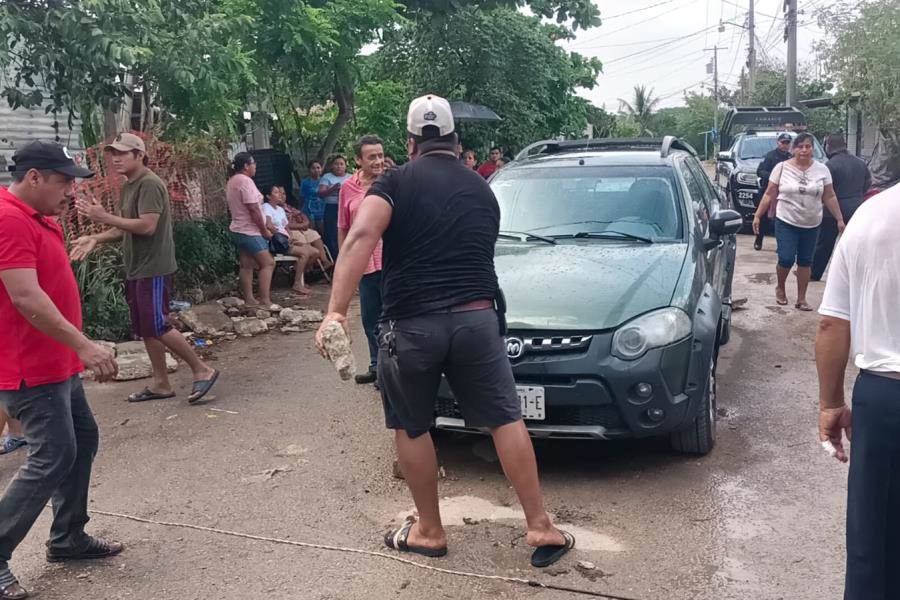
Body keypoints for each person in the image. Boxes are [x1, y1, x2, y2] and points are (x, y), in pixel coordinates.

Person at [315, 94, 571, 568]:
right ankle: (540, 525)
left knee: (412, 425)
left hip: (411, 327)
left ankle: (430, 530)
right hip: (477, 319)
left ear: (410, 143)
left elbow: (361, 236)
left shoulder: (393, 182)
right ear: (455, 141)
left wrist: (335, 311)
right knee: (504, 417)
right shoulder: (481, 189)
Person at [0, 141, 123, 600]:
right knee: (51, 455)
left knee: (80, 442)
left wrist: (75, 351)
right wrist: (85, 346)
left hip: (56, 362)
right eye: (63, 180)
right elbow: (26, 297)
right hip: (30, 365)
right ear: (34, 177)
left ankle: (67, 536)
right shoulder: (9, 218)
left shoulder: (33, 217)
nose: (70, 190)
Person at [70, 133, 220, 404]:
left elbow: (147, 226)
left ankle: (202, 369)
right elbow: (124, 226)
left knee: (158, 324)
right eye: (113, 153)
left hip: (154, 266)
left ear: (140, 155)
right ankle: (161, 384)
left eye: (123, 153)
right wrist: (95, 237)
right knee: (146, 328)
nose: (115, 158)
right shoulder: (130, 185)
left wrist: (104, 216)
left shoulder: (150, 183)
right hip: (138, 266)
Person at [815, 182, 900, 600]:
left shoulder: (870, 216)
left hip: (886, 399)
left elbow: (833, 323)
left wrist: (831, 402)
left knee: (874, 537)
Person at [752, 133, 844, 311]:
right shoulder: (781, 167)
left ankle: (801, 299)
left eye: (808, 146)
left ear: (812, 149)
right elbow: (770, 193)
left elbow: (829, 195)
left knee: (805, 261)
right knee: (786, 258)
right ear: (794, 149)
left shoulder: (822, 170)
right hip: (786, 220)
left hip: (811, 222)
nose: (804, 150)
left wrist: (839, 218)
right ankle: (781, 287)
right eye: (800, 146)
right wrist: (757, 215)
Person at [337, 135, 385, 386]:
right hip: (364, 263)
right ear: (358, 160)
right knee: (370, 318)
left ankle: (390, 371)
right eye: (371, 157)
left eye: (380, 155)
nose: (378, 161)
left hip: (391, 261)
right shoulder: (348, 187)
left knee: (392, 317)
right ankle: (377, 365)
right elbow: (343, 227)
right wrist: (344, 264)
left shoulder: (391, 182)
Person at [811, 134, 872, 281]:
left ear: (828, 146)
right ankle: (856, 276)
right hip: (856, 208)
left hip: (832, 210)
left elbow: (824, 190)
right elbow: (868, 183)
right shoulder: (860, 163)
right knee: (854, 244)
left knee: (824, 244)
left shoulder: (830, 166)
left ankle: (814, 273)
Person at [223, 152, 275, 308]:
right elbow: (253, 209)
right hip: (249, 230)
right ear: (246, 166)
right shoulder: (245, 182)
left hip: (238, 228)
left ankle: (250, 299)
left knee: (247, 265)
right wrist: (264, 230)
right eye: (253, 164)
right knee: (268, 263)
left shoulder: (233, 181)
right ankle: (265, 300)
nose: (255, 167)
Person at [263, 185, 320, 296]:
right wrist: (280, 237)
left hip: (286, 240)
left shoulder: (280, 209)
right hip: (277, 242)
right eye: (275, 192)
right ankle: (297, 283)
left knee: (315, 252)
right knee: (304, 253)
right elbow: (269, 225)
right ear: (268, 196)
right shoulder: (266, 207)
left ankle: (295, 273)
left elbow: (286, 227)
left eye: (280, 192)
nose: (279, 194)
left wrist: (290, 238)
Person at [754, 132, 793, 251]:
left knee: (781, 220)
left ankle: (780, 244)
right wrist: (774, 176)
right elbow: (760, 171)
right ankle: (758, 240)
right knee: (763, 218)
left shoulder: (790, 158)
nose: (785, 145)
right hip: (769, 191)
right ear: (778, 143)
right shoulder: (770, 156)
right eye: (783, 143)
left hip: (783, 193)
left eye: (787, 143)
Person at [318, 155, 350, 260]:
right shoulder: (327, 177)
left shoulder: (351, 177)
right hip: (332, 207)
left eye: (341, 164)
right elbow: (321, 193)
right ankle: (334, 258)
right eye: (336, 164)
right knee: (332, 233)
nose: (339, 167)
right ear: (332, 166)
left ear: (345, 166)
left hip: (347, 208)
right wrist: (333, 188)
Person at [300, 160, 325, 234]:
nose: (316, 170)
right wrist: (300, 211)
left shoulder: (325, 181)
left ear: (321, 169)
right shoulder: (305, 182)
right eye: (313, 168)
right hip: (308, 211)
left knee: (322, 230)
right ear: (309, 170)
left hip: (322, 210)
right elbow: (301, 197)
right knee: (312, 232)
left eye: (318, 168)